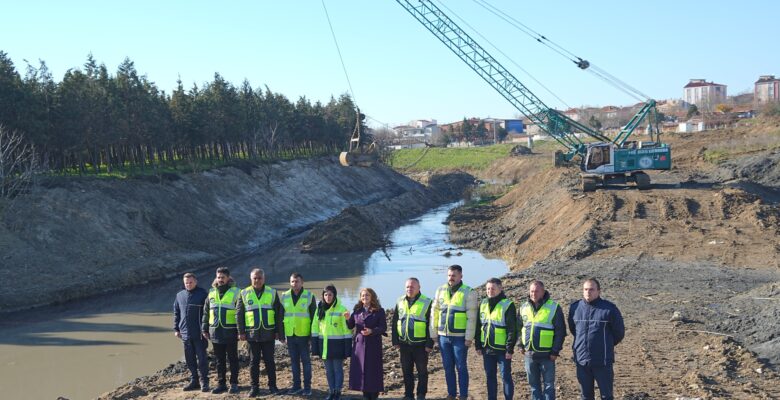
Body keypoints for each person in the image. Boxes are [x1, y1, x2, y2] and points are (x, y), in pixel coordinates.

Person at [568, 278, 625, 400]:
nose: (588, 292)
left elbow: (619, 333)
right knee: (586, 396)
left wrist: (605, 345)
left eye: (591, 289)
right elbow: (574, 330)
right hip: (582, 360)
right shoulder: (575, 308)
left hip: (602, 361)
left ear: (599, 291)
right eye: (585, 289)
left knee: (606, 395)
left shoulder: (609, 309)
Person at [431, 265, 478, 400]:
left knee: (461, 367)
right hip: (443, 336)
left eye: (454, 275)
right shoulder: (440, 290)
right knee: (447, 367)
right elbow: (434, 313)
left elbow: (472, 317)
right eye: (449, 275)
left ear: (460, 276)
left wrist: (469, 337)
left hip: (460, 338)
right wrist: (433, 333)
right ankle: (451, 394)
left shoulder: (469, 292)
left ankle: (463, 395)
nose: (451, 278)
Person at [237, 268, 284, 397]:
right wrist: (241, 332)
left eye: (259, 278)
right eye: (255, 278)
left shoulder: (272, 292)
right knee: (254, 362)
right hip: (252, 334)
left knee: (270, 361)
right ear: (251, 279)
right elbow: (239, 314)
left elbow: (278, 314)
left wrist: (278, 332)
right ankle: (254, 388)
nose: (257, 280)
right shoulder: (244, 293)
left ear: (264, 279)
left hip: (269, 334)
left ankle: (273, 386)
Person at [519, 280, 566, 400]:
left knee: (549, 385)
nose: (533, 294)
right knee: (534, 386)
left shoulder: (553, 307)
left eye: (536, 291)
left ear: (543, 292)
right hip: (529, 354)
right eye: (531, 291)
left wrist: (555, 351)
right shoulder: (523, 307)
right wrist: (520, 345)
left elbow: (560, 332)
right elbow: (518, 328)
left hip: (547, 355)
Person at [475, 278, 518, 400]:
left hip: (502, 350)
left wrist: (509, 349)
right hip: (487, 348)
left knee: (505, 377)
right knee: (490, 376)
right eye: (488, 289)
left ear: (500, 289)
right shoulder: (483, 303)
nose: (490, 291)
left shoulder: (508, 305)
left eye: (493, 289)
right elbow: (478, 326)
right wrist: (478, 345)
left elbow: (512, 329)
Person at [391, 277, 434, 400]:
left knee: (422, 371)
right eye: (407, 287)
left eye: (412, 287)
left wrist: (429, 343)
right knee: (406, 371)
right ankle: (408, 394)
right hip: (404, 343)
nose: (409, 289)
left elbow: (431, 325)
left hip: (420, 344)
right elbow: (395, 321)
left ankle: (421, 394)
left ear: (419, 288)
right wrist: (395, 340)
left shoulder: (427, 302)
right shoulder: (400, 301)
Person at [201, 266, 241, 394]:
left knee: (233, 359)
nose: (220, 279)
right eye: (218, 277)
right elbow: (206, 312)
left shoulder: (237, 292)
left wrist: (241, 331)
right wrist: (204, 328)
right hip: (215, 332)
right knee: (219, 361)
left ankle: (234, 383)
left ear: (228, 278)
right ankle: (221, 384)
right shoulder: (211, 293)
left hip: (231, 332)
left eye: (223, 277)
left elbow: (241, 313)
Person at [311, 285, 352, 400]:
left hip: (338, 345)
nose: (328, 297)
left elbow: (347, 330)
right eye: (326, 295)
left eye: (330, 295)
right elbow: (315, 327)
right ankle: (331, 391)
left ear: (334, 296)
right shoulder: (319, 309)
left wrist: (347, 348)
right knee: (329, 371)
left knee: (337, 370)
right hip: (324, 345)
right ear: (323, 296)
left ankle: (337, 392)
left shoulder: (341, 309)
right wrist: (315, 346)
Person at [280, 272, 317, 396]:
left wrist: (312, 336)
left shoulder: (309, 296)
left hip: (304, 335)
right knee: (294, 362)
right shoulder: (284, 296)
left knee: (306, 362)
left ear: (302, 282)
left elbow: (314, 318)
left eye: (297, 281)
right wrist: (281, 334)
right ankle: (296, 386)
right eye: (292, 281)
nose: (294, 284)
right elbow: (280, 316)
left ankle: (307, 387)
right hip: (290, 334)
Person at [347, 288, 387, 400]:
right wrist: (347, 318)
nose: (365, 297)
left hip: (373, 344)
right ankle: (365, 393)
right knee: (361, 369)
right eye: (363, 295)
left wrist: (372, 331)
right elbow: (350, 326)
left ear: (372, 296)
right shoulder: (357, 311)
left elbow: (383, 327)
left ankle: (374, 393)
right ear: (360, 298)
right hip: (359, 344)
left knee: (373, 369)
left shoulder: (379, 311)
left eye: (367, 295)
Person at [173, 272, 210, 392]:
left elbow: (208, 313)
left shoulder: (203, 294)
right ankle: (194, 381)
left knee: (202, 359)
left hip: (199, 334)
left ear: (195, 282)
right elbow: (176, 313)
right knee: (189, 359)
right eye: (186, 283)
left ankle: (204, 382)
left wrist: (206, 329)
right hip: (185, 334)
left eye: (190, 282)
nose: (188, 284)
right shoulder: (179, 295)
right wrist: (176, 329)